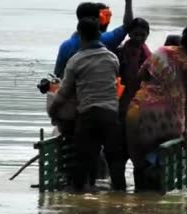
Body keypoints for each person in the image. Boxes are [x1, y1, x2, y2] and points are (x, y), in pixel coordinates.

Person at [49, 17, 126, 192]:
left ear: (80, 35)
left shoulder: (76, 60)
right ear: (99, 34)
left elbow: (64, 93)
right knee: (114, 157)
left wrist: (53, 110)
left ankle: (78, 193)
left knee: (82, 157)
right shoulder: (112, 58)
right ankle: (120, 192)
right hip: (110, 114)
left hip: (88, 114)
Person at [126, 26, 187, 191]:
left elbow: (141, 75)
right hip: (170, 119)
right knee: (165, 152)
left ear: (183, 38)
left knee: (138, 155)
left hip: (139, 111)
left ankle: (139, 189)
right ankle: (158, 188)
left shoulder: (162, 51)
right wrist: (185, 128)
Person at [54, 0, 133, 78]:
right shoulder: (106, 40)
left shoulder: (66, 46)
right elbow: (128, 25)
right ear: (98, 20)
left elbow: (58, 74)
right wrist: (128, 2)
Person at [116, 17, 151, 123]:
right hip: (123, 96)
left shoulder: (148, 54)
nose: (139, 38)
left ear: (147, 35)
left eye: (142, 35)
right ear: (129, 34)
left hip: (143, 97)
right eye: (135, 34)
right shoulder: (120, 53)